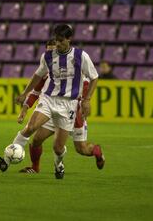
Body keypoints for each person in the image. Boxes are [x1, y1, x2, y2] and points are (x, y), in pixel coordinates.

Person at [0, 24, 99, 179]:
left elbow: (94, 77)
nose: (57, 44)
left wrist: (87, 100)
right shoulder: (48, 56)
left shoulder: (81, 56)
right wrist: (24, 93)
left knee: (58, 148)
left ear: (69, 39)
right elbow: (37, 76)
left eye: (61, 41)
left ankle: (59, 165)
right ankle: (7, 160)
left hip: (68, 105)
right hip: (49, 99)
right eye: (56, 40)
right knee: (31, 128)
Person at [17, 42, 105, 174]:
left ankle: (96, 151)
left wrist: (84, 104)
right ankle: (35, 167)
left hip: (73, 113)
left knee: (81, 149)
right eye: (50, 51)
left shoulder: (76, 69)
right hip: (54, 109)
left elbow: (86, 88)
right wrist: (24, 108)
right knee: (36, 140)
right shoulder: (48, 74)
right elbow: (35, 92)